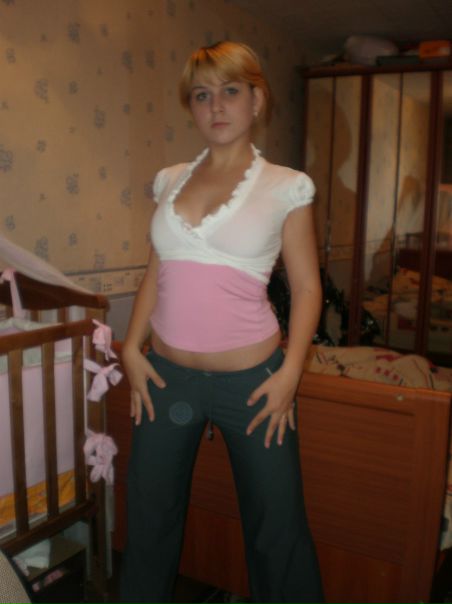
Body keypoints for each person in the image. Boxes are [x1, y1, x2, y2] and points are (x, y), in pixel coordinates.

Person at [120, 40, 324, 604]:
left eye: (230, 91)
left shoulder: (286, 186)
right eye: (202, 95)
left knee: (276, 526)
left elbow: (307, 289)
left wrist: (289, 375)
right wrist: (132, 348)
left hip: (254, 382)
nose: (216, 106)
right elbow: (156, 272)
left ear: (257, 100)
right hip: (166, 379)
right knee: (149, 519)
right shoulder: (170, 180)